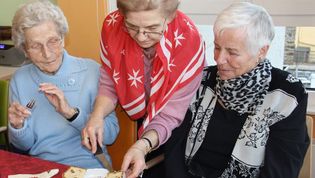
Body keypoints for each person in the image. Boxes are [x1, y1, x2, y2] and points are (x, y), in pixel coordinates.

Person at [163, 2, 309, 178]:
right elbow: (174, 150)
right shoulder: (201, 80)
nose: (219, 59)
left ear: (261, 51)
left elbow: (280, 171)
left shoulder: (287, 94)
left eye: (232, 52)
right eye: (217, 47)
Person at [81, 0, 205, 177]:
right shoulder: (113, 27)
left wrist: (143, 144)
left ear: (170, 16)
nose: (140, 36)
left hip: (177, 120)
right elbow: (110, 83)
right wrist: (97, 116)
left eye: (152, 27)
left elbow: (171, 114)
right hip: (136, 110)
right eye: (131, 26)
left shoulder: (189, 42)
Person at [8, 0, 119, 169]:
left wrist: (71, 113)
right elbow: (24, 146)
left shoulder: (92, 71)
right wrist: (18, 126)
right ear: (24, 50)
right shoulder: (20, 79)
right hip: (41, 168)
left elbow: (111, 135)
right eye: (36, 46)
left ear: (63, 37)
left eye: (53, 41)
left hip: (88, 167)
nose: (47, 53)